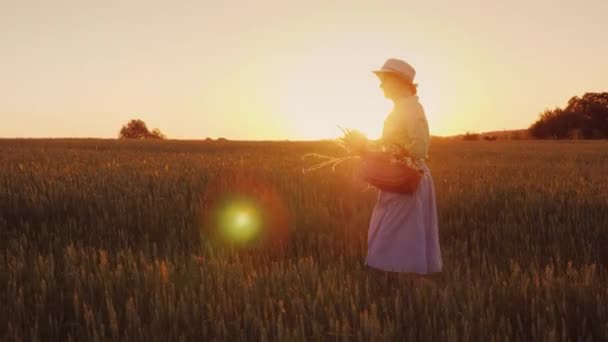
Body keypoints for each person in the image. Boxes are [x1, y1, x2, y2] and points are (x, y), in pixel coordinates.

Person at [364, 58, 442, 285]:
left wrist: (384, 152)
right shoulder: (403, 107)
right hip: (399, 175)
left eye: (384, 80)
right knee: (394, 230)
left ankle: (415, 287)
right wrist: (368, 146)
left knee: (401, 232)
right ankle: (397, 284)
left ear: (398, 82)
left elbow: (420, 147)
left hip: (408, 177)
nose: (381, 86)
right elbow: (394, 142)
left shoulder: (411, 108)